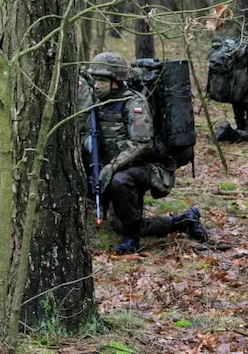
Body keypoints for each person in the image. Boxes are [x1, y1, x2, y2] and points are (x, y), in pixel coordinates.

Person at [82, 52, 207, 254]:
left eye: (102, 81)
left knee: (120, 182)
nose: (97, 85)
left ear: (116, 81)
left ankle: (132, 239)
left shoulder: (134, 103)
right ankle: (183, 221)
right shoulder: (97, 103)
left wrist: (111, 168)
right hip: (111, 167)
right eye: (95, 80)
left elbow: (141, 144)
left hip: (144, 167)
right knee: (119, 224)